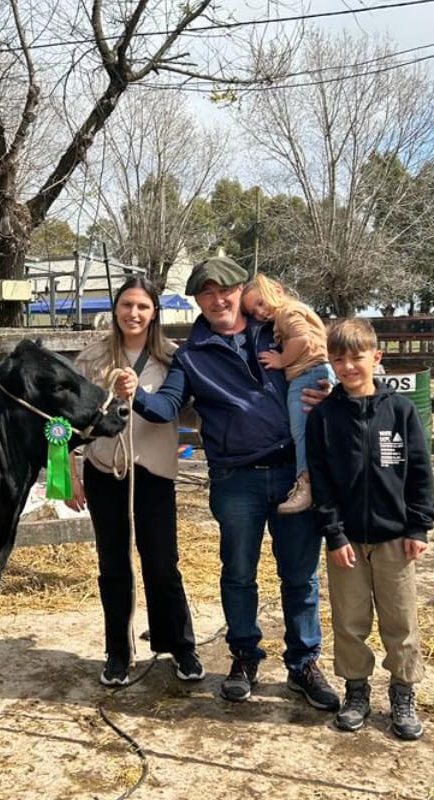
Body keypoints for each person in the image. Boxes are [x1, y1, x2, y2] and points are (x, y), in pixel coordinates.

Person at [121, 256, 339, 712]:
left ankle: (303, 663)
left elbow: (325, 357)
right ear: (197, 301)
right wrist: (134, 394)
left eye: (226, 291)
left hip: (293, 473)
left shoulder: (275, 328)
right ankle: (244, 656)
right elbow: (166, 408)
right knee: (238, 573)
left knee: (300, 576)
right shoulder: (192, 356)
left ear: (242, 290)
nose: (218, 300)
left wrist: (331, 393)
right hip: (236, 477)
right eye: (207, 294)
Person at [66, 277, 205, 687]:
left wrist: (135, 392)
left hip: (153, 473)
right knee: (113, 565)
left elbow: (169, 408)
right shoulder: (91, 359)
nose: (134, 313)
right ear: (115, 309)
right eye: (127, 304)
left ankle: (179, 645)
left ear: (154, 312)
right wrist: (69, 474)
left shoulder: (173, 359)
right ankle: (118, 651)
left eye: (143, 306)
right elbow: (66, 422)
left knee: (161, 564)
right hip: (105, 472)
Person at [305, 317, 434, 740]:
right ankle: (356, 690)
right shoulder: (324, 417)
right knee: (349, 620)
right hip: (347, 541)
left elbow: (420, 471)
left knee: (401, 619)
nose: (347, 367)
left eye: (356, 357)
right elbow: (321, 481)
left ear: (376, 357)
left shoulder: (400, 411)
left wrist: (419, 526)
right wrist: (334, 533)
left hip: (396, 538)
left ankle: (403, 691)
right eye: (338, 359)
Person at [241, 274, 336, 514]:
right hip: (317, 371)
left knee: (300, 431)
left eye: (260, 303)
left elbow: (301, 338)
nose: (260, 313)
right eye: (253, 312)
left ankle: (306, 483)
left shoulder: (287, 312)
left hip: (307, 374)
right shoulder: (295, 310)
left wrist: (282, 360)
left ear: (277, 290)